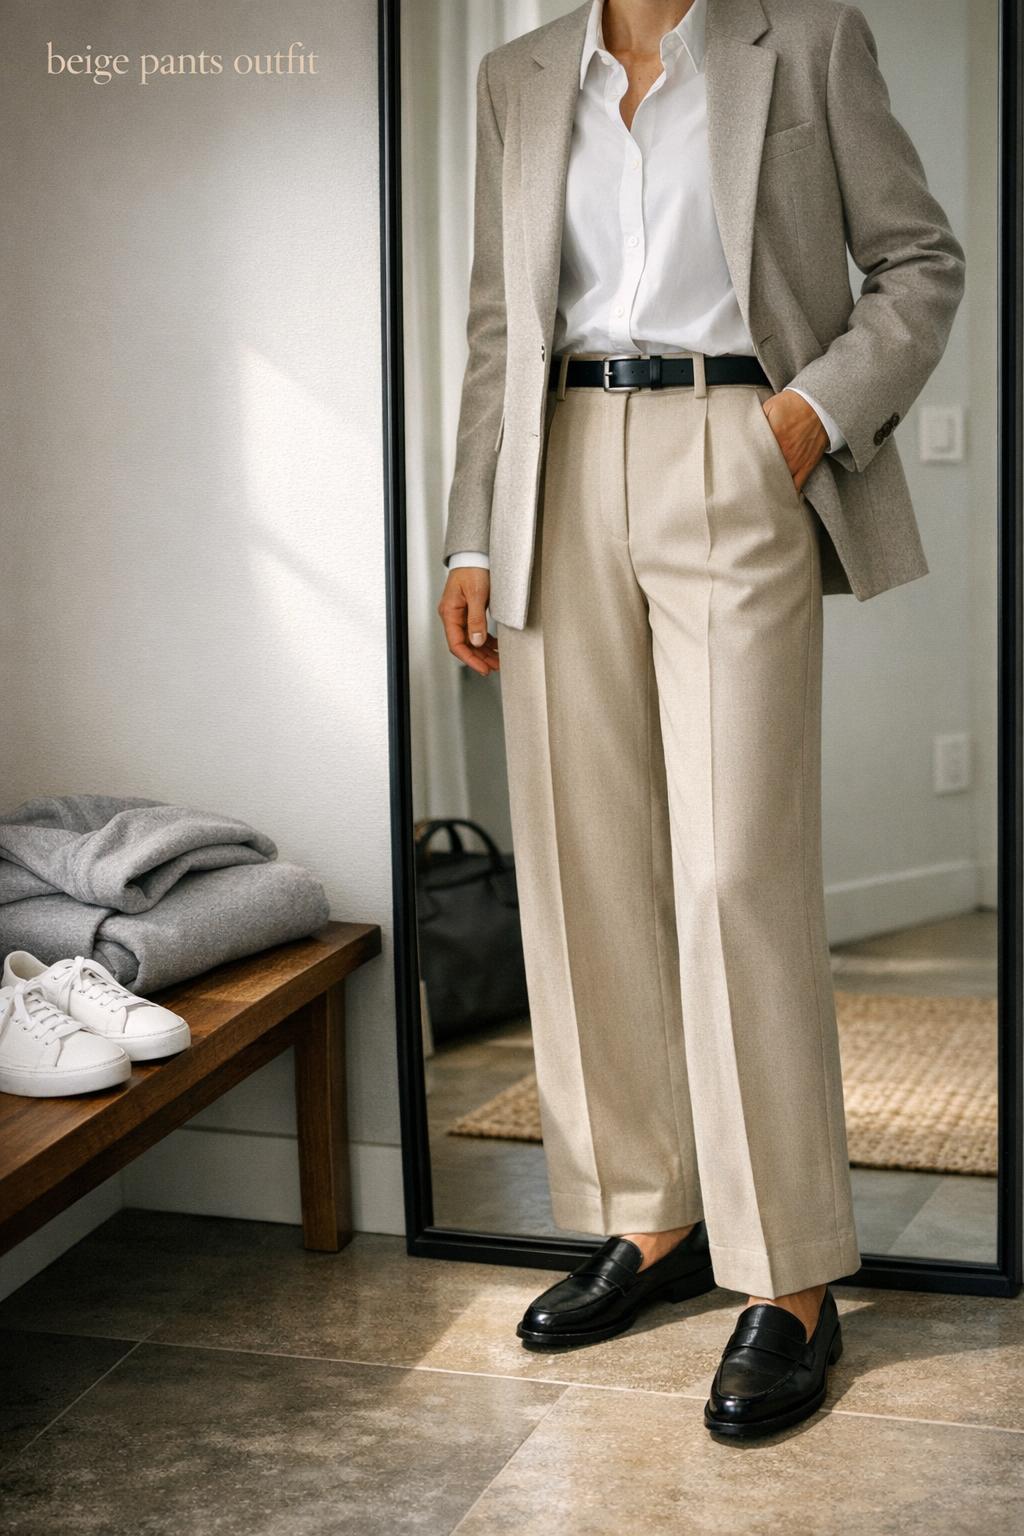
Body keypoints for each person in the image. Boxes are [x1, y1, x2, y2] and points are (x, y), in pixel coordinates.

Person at [436, 0, 964, 1440]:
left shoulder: (807, 40)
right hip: (554, 464)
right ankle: (648, 1220)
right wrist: (470, 535)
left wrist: (805, 415)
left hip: (737, 448)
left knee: (735, 870)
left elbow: (918, 262)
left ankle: (790, 1278)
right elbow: (501, 318)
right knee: (585, 859)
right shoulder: (519, 74)